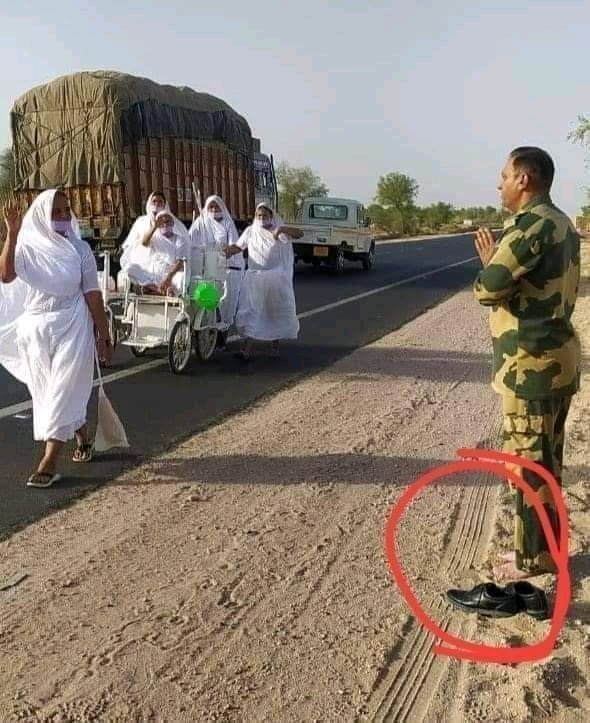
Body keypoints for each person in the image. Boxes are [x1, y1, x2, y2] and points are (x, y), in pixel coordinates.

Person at [473, 146, 581, 581]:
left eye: (504, 176)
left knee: (529, 468)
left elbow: (488, 288)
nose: (499, 184)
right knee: (547, 463)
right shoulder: (562, 222)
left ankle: (533, 560)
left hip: (530, 367)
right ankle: (544, 550)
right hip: (557, 361)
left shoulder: (531, 226)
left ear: (524, 179)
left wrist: (489, 263)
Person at [0, 190, 113, 488]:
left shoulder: (80, 249)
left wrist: (104, 335)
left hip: (73, 325)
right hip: (35, 330)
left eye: (66, 211)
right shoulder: (28, 247)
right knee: (49, 392)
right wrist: (12, 234)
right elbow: (6, 275)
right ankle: (82, 435)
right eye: (56, 212)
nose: (63, 217)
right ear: (41, 216)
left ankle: (48, 461)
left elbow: (92, 294)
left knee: (63, 389)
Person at [224, 203, 301, 362]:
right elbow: (238, 247)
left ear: (271, 217)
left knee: (274, 312)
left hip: (275, 278)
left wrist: (282, 229)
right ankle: (246, 350)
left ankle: (275, 346)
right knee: (252, 311)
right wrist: (226, 251)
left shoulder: (278, 231)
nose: (261, 218)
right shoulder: (251, 231)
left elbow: (299, 233)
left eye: (265, 215)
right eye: (258, 215)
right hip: (255, 278)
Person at [189, 195, 242, 343]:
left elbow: (234, 245)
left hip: (227, 265)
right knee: (202, 296)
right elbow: (190, 241)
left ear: (222, 207)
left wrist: (223, 253)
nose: (213, 209)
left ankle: (223, 331)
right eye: (210, 207)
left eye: (216, 206)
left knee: (224, 300)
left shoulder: (227, 223)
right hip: (205, 265)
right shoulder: (201, 222)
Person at [118, 192, 189, 292]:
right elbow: (144, 243)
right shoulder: (145, 225)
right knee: (130, 269)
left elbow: (180, 261)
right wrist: (155, 225)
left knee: (181, 279)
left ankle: (157, 288)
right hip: (150, 271)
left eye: (160, 202)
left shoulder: (179, 237)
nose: (165, 224)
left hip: (169, 273)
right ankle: (157, 289)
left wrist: (168, 278)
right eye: (154, 201)